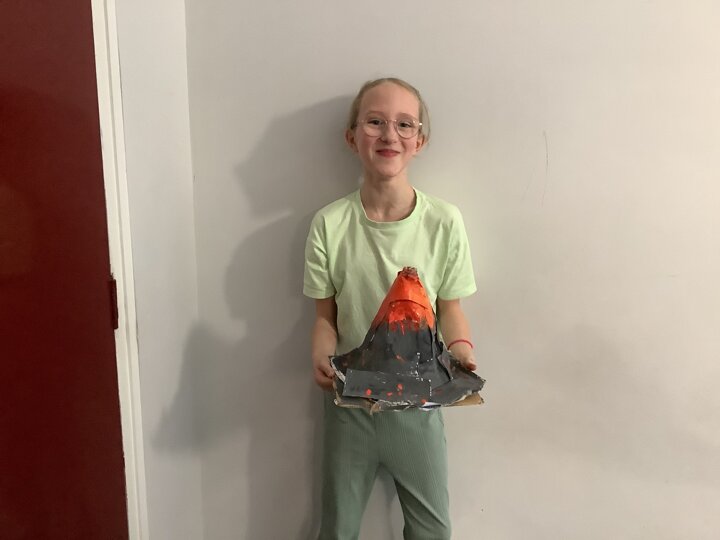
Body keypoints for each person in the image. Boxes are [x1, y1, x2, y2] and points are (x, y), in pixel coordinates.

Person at [303, 77, 477, 540]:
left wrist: (462, 348)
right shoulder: (329, 224)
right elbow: (324, 318)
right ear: (352, 136)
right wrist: (319, 355)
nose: (389, 135)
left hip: (419, 406)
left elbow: (451, 308)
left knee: (432, 532)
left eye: (404, 124)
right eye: (375, 122)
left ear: (420, 140)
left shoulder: (444, 221)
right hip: (350, 406)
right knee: (337, 529)